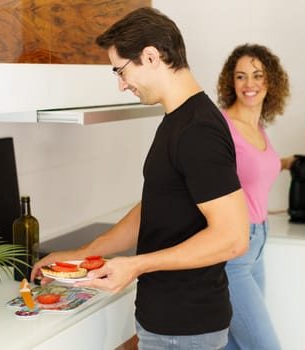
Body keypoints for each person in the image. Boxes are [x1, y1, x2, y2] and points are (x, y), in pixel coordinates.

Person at [31, 7, 250, 350]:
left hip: (185, 328)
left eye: (121, 70)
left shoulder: (198, 130)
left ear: (151, 56)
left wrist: (135, 265)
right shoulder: (177, 120)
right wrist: (77, 255)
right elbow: (155, 207)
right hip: (169, 323)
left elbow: (234, 238)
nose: (121, 84)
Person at [216, 43, 293, 350]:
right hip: (233, 250)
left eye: (257, 75)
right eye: (241, 76)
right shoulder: (222, 127)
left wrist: (287, 162)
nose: (250, 84)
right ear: (230, 82)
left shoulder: (258, 127)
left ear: (270, 81)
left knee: (236, 344)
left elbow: (253, 169)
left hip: (258, 243)